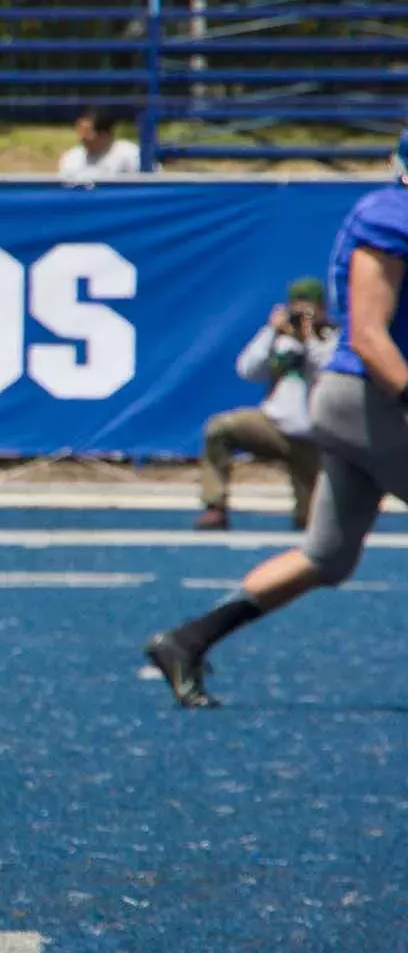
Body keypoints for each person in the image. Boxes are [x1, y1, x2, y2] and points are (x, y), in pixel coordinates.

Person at [144, 131, 408, 709]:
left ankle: (188, 639)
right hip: (372, 396)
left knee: (325, 557)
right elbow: (367, 333)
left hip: (357, 402)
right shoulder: (393, 215)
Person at [194, 277, 336, 531]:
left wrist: (309, 338)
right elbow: (247, 370)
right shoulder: (280, 338)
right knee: (220, 428)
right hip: (273, 426)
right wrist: (271, 331)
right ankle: (214, 506)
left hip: (314, 439)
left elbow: (326, 368)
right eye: (297, 308)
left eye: (309, 309)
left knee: (310, 522)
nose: (303, 315)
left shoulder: (333, 339)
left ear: (322, 308)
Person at [58, 107, 143, 184]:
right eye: (80, 132)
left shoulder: (129, 155)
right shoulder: (70, 158)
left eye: (87, 133)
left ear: (104, 134)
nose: (82, 138)